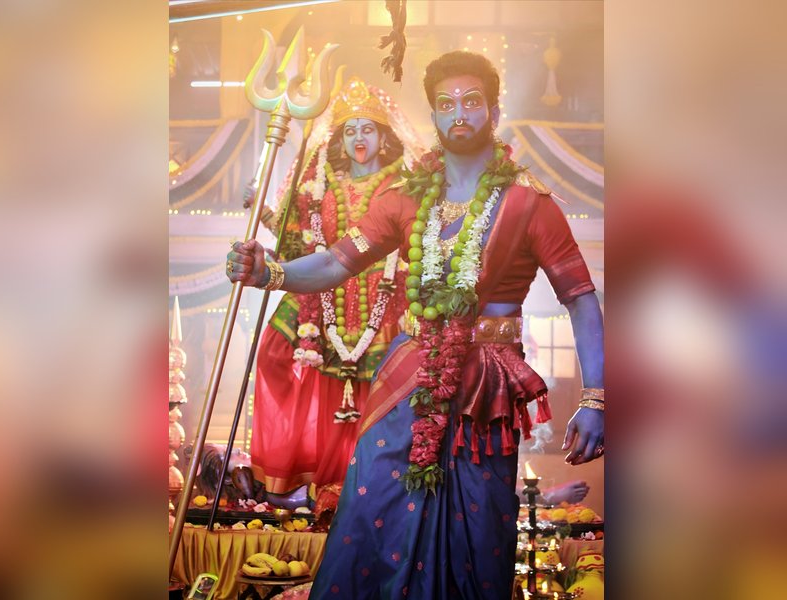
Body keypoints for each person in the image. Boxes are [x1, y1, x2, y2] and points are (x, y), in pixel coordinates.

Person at [227, 51, 604, 599]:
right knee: (371, 510)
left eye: (471, 101)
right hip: (408, 375)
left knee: (480, 528)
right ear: (433, 116)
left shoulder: (529, 203)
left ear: (494, 113)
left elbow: (581, 299)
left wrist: (595, 398)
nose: (459, 113)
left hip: (485, 390)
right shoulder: (404, 197)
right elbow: (336, 262)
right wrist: (271, 272)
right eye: (446, 104)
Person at [242, 77, 423, 499]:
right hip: (323, 293)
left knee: (374, 389)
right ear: (340, 140)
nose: (359, 137)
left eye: (368, 129)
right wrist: (265, 213)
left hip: (384, 295)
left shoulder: (404, 187)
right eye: (350, 130)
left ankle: (367, 485)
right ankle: (305, 474)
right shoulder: (320, 183)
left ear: (383, 137)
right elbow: (296, 244)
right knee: (273, 352)